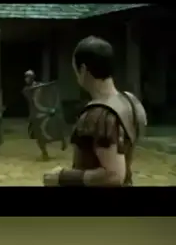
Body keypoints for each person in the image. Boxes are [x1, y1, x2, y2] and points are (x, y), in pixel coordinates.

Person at [43, 36, 147, 187]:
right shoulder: (130, 101)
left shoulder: (99, 114)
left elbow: (113, 175)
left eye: (75, 70)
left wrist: (62, 177)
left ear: (83, 70)